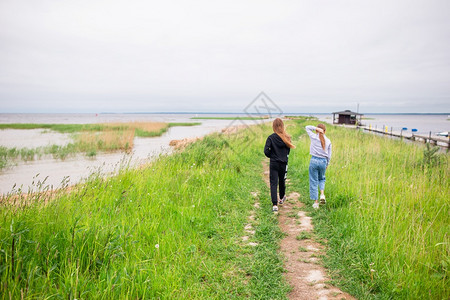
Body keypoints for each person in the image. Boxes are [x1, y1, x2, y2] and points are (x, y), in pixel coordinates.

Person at [264, 118, 295, 212]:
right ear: (282, 126)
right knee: (282, 181)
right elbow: (288, 151)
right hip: (283, 163)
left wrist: (272, 156)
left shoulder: (271, 137)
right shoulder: (287, 137)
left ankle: (274, 204)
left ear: (273, 126)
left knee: (273, 183)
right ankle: (281, 198)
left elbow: (266, 151)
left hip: (274, 163)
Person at [305, 124, 332, 209]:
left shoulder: (314, 137)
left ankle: (316, 203)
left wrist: (316, 128)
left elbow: (307, 127)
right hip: (323, 161)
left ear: (317, 130)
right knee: (322, 179)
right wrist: (327, 164)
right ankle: (322, 195)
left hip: (314, 160)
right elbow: (329, 155)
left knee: (313, 181)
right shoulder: (328, 141)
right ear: (325, 131)